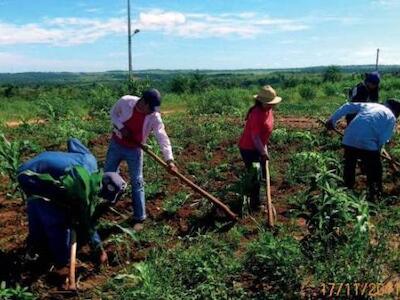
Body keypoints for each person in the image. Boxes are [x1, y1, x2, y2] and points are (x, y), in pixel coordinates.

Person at [17, 138, 126, 288]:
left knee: (38, 207)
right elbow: (88, 220)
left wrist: (65, 163)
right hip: (32, 177)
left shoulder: (91, 161)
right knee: (58, 221)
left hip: (31, 165)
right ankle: (62, 264)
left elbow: (73, 141)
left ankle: (35, 245)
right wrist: (98, 248)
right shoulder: (81, 185)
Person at [105, 88, 177, 231]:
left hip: (135, 150)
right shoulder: (125, 102)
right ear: (143, 102)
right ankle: (109, 200)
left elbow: (161, 136)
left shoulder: (154, 115)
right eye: (150, 109)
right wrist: (121, 127)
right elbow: (113, 114)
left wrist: (169, 160)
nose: (152, 112)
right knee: (108, 174)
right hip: (116, 144)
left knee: (137, 181)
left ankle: (139, 216)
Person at [326, 99, 400, 199]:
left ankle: (347, 191)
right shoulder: (391, 117)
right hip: (367, 143)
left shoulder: (371, 106)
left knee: (349, 165)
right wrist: (377, 151)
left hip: (349, 139)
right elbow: (383, 138)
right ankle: (375, 194)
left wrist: (332, 120)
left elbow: (347, 106)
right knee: (375, 169)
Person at [238, 85, 282, 211]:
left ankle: (259, 200)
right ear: (261, 102)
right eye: (269, 103)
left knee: (261, 174)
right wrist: (263, 153)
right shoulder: (257, 114)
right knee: (256, 176)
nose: (272, 105)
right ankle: (255, 204)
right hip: (249, 148)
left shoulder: (268, 110)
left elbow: (263, 136)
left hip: (259, 147)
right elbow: (255, 137)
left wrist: (264, 149)